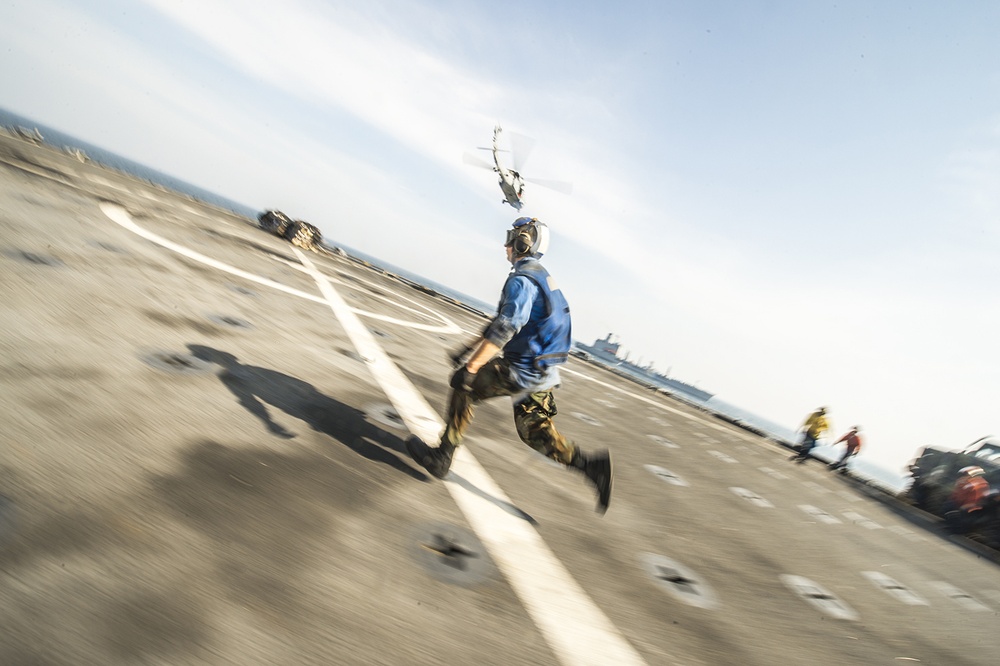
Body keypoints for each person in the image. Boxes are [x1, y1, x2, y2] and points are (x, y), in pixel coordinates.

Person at [407, 217, 613, 513]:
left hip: (523, 368)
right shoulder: (540, 276)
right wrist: (467, 349)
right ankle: (592, 467)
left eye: (511, 238)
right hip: (542, 372)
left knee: (464, 387)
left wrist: (471, 368)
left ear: (523, 243)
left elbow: (507, 326)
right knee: (535, 434)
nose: (505, 245)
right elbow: (499, 322)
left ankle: (442, 456)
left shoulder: (521, 281)